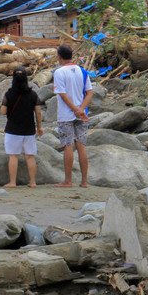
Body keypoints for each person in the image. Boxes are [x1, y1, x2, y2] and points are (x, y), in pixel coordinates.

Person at [53, 45, 92, 188]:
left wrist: (75, 109)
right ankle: (84, 181)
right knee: (81, 146)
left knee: (68, 145)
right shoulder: (82, 71)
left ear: (59, 56)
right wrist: (81, 109)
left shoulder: (59, 72)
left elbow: (62, 94)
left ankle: (68, 181)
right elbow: (90, 93)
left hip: (66, 114)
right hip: (82, 114)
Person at [1, 68, 44, 188]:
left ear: (13, 79)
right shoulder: (33, 94)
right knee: (30, 156)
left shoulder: (9, 94)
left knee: (13, 156)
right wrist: (39, 127)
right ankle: (33, 182)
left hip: (13, 130)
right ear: (26, 79)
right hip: (29, 130)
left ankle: (12, 182)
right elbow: (38, 112)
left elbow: (3, 111)